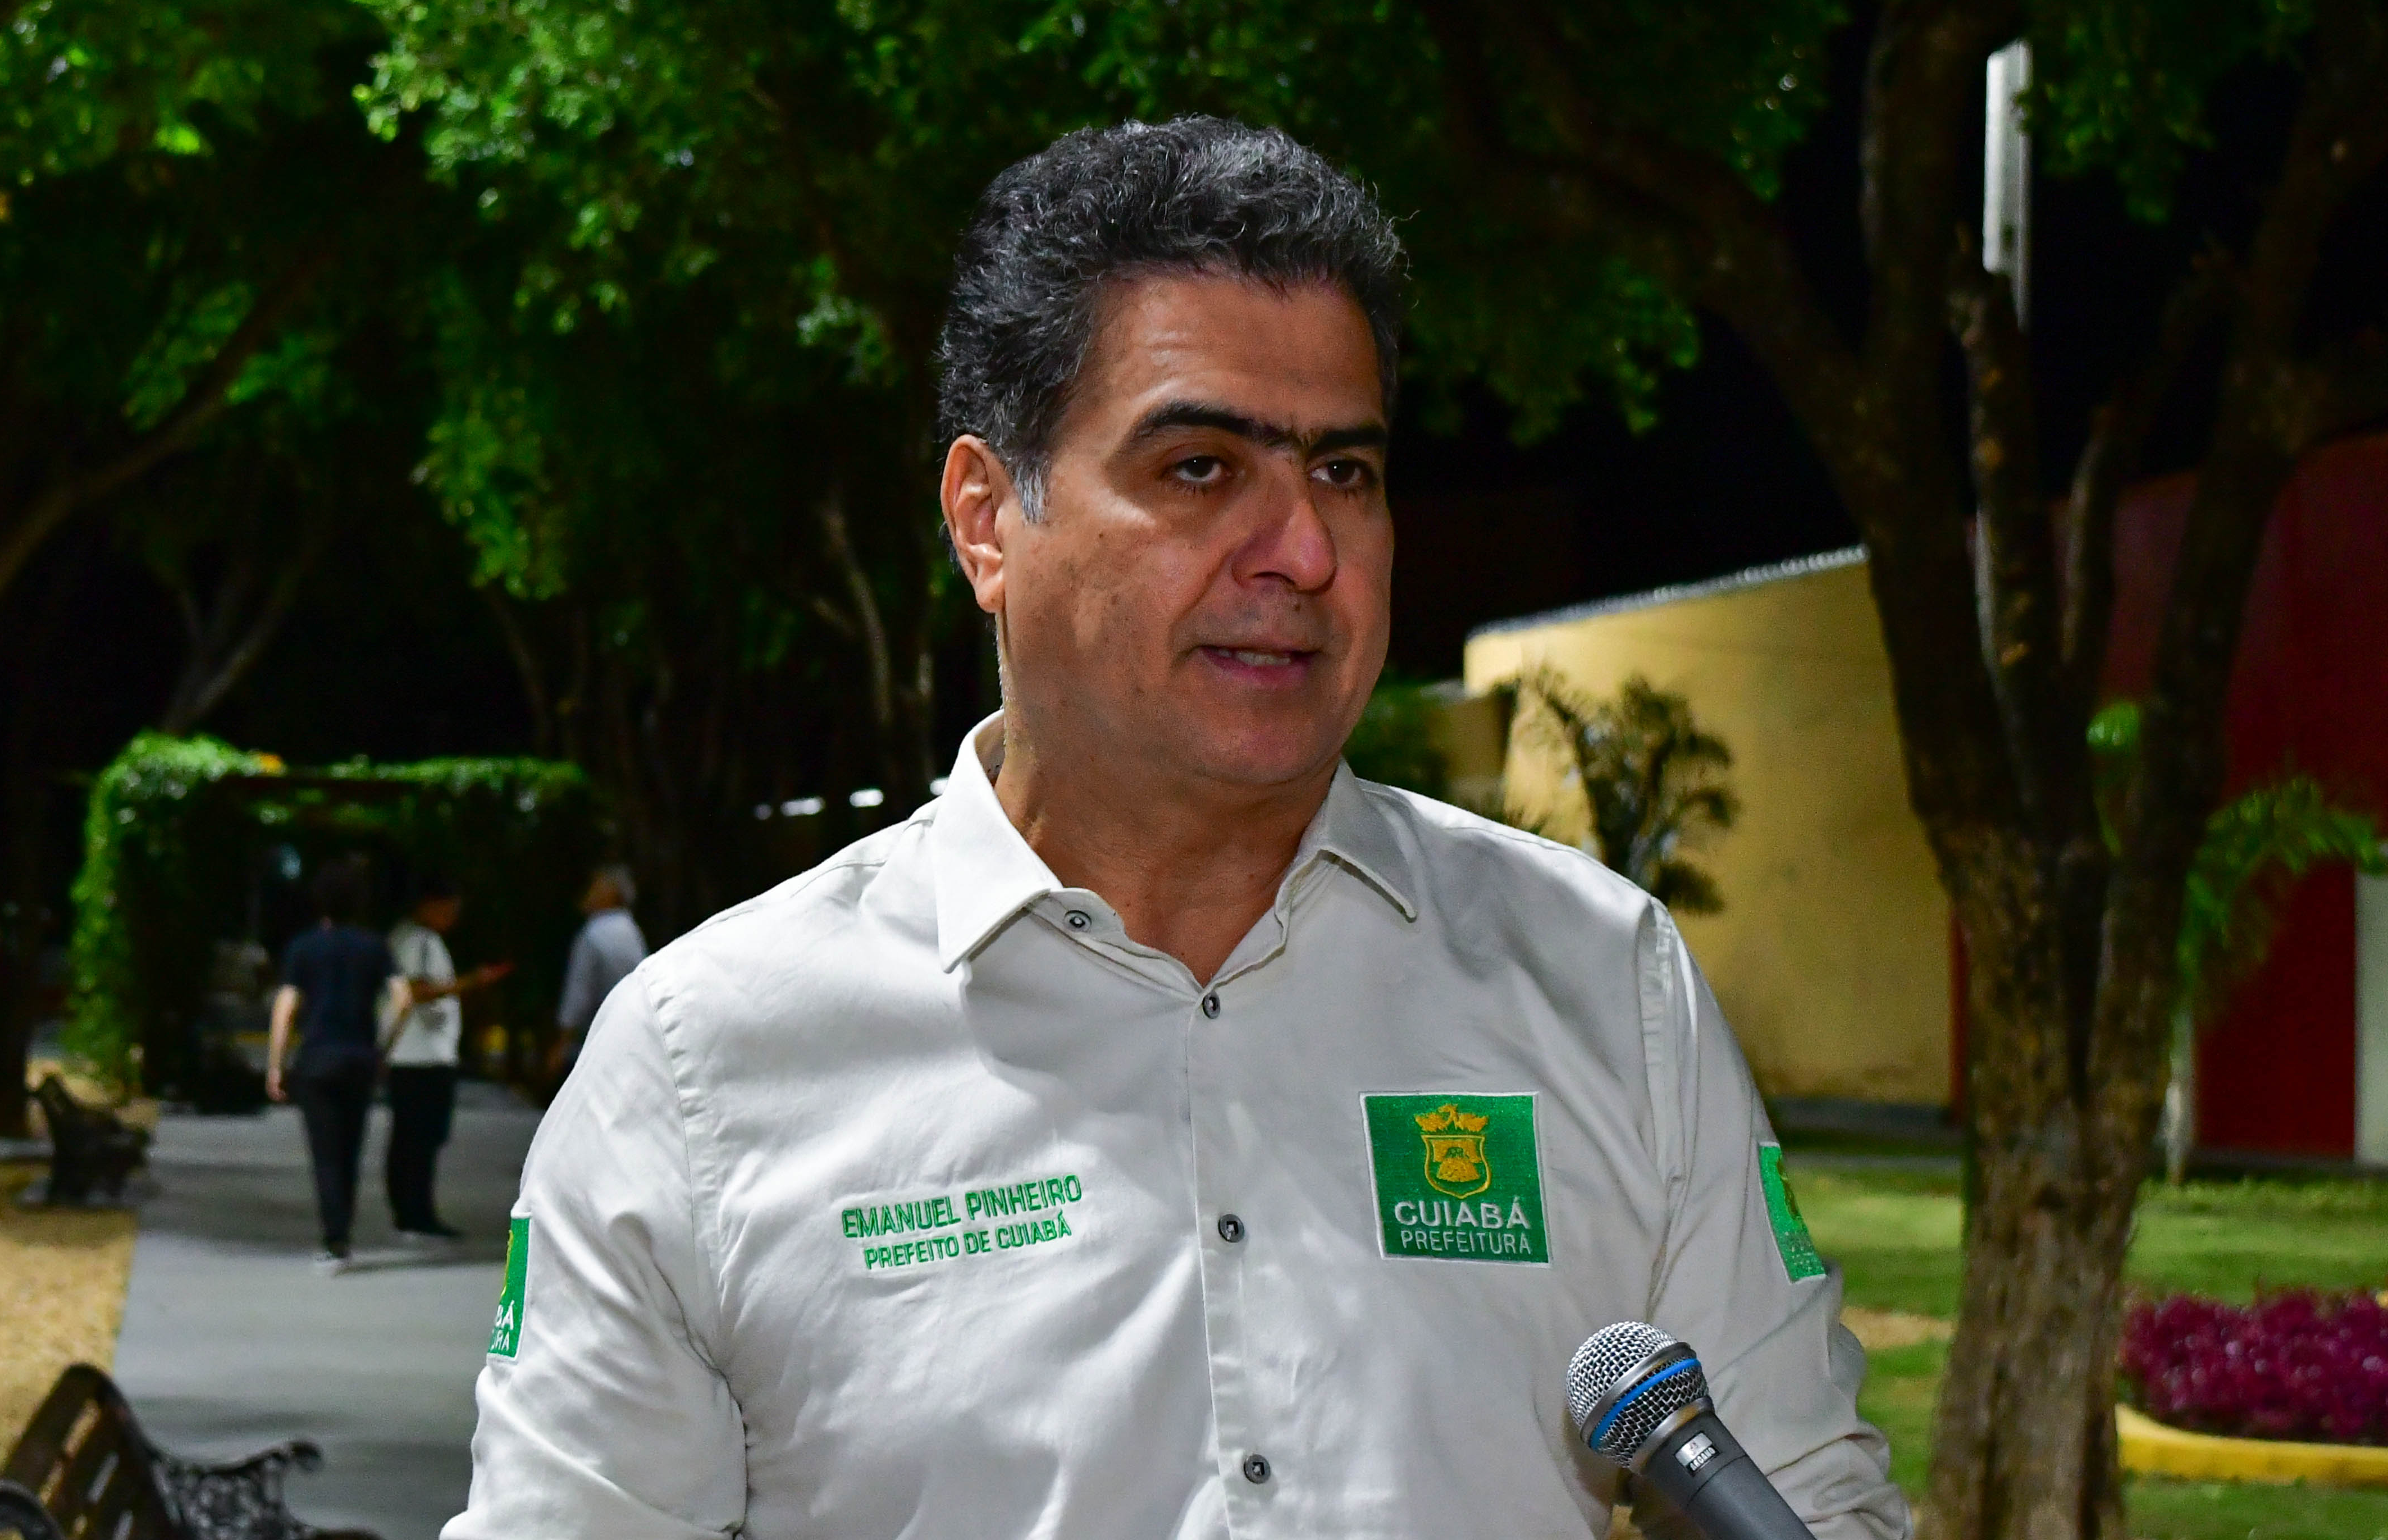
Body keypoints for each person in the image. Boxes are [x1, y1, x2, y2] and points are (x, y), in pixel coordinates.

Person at [449, 118, 1907, 1540]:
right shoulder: (707, 1066)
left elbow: (1806, 1497)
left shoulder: (1602, 985)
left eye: (1344, 472)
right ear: (986, 520)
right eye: (1200, 468)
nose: (1305, 551)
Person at [268, 856, 409, 1274]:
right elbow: (403, 999)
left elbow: (285, 1010)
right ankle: (342, 1228)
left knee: (325, 1153)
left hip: (316, 1060)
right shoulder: (374, 946)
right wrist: (384, 1049)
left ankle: (336, 1240)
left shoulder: (303, 948)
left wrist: (276, 1065)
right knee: (351, 1148)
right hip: (360, 1058)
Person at [377, 875, 513, 1240]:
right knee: (418, 1139)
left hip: (422, 1055)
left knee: (417, 1138)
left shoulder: (416, 938)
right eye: (448, 911)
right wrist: (472, 982)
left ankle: (414, 1211)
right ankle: (414, 1214)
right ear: (429, 906)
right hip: (419, 1056)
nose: (453, 919)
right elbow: (416, 989)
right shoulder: (417, 941)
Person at [545, 864, 645, 1078]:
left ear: (611, 894)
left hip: (590, 1049)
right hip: (627, 1043)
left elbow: (578, 997)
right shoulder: (633, 933)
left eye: (595, 887)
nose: (588, 894)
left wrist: (561, 1045)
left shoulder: (594, 933)